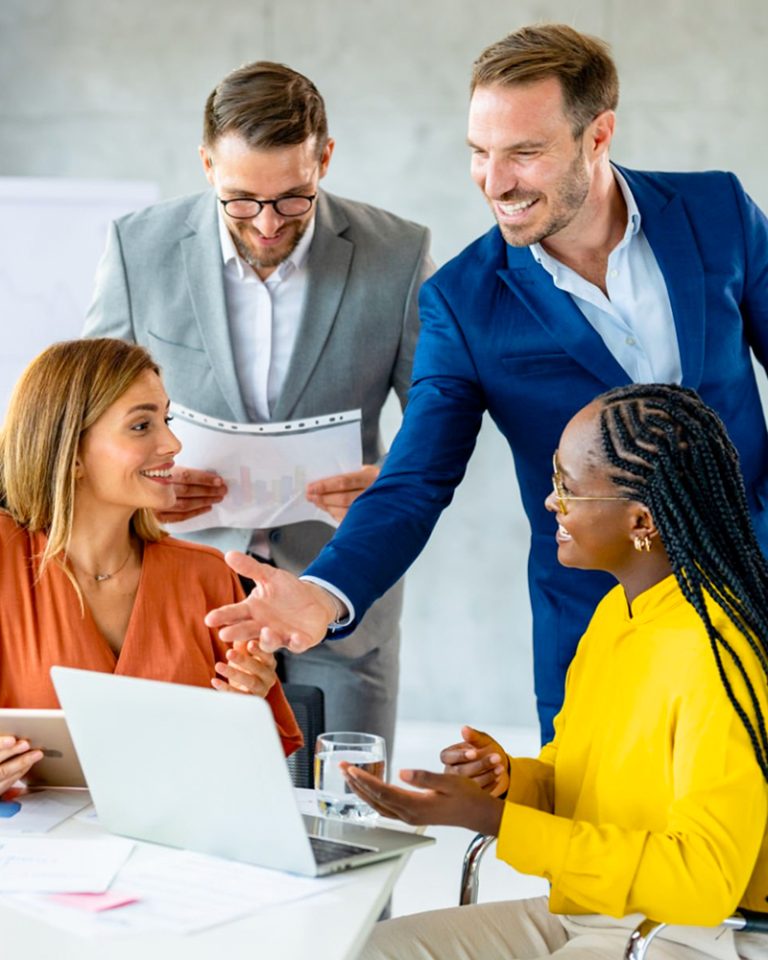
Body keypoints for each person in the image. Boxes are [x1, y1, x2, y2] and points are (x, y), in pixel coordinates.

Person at [205, 23, 768, 742]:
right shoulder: (464, 303)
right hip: (593, 618)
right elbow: (416, 477)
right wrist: (323, 592)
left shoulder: (716, 213)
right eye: (479, 153)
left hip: (756, 579)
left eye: (525, 153)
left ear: (598, 136)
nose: (495, 182)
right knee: (591, 834)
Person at [341, 383, 768, 960]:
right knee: (361, 949)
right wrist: (510, 781)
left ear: (640, 518)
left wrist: (495, 821)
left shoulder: (719, 655)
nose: (550, 502)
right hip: (592, 913)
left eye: (568, 487)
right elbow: (583, 788)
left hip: (695, 934)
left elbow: (701, 879)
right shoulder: (618, 612)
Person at [83, 61, 433, 751]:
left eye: (294, 199)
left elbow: (437, 413)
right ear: (207, 164)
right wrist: (141, 484)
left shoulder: (398, 252)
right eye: (241, 200)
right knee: (186, 816)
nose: (268, 224)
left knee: (341, 818)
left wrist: (391, 484)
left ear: (325, 159)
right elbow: (90, 413)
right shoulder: (138, 248)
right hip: (180, 590)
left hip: (343, 591)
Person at [0, 338, 302, 796]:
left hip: (178, 848)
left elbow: (255, 777)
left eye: (167, 419)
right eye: (142, 426)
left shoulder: (207, 576)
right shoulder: (6, 559)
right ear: (72, 453)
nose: (173, 443)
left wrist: (249, 711)